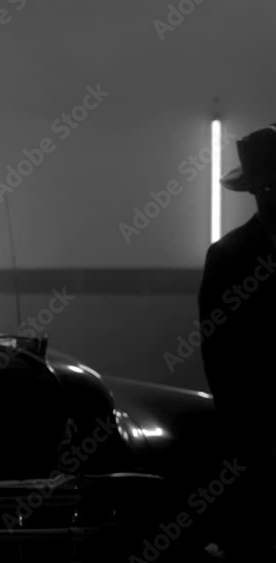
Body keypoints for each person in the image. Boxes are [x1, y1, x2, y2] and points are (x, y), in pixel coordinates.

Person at [199, 123, 276, 562]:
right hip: (254, 432)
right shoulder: (228, 257)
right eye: (267, 187)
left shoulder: (229, 255)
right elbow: (220, 357)